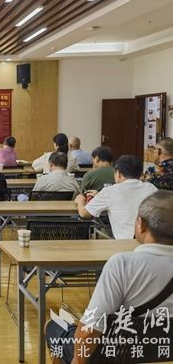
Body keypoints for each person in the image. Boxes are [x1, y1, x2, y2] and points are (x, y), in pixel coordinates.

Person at [46, 191, 173, 364]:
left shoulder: (122, 264)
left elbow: (89, 331)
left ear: (141, 224)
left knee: (54, 326)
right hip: (164, 352)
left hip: (116, 355)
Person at [75, 155, 157, 239]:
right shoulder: (151, 188)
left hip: (124, 243)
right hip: (150, 241)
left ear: (118, 174)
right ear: (140, 174)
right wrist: (99, 195)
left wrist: (80, 201)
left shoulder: (109, 192)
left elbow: (84, 214)